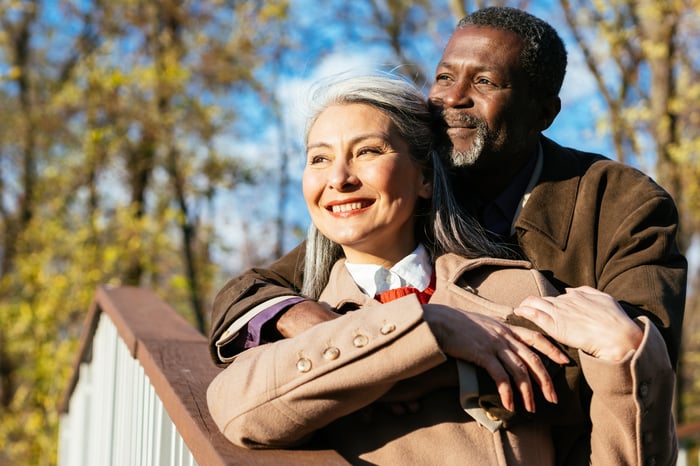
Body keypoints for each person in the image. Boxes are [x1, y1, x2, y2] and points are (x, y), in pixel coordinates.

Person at [207, 74, 678, 465]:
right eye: (319, 158)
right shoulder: (296, 318)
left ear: (427, 178)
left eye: (367, 151)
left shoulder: (519, 288)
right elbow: (236, 411)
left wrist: (628, 358)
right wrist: (423, 325)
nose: (338, 178)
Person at [208, 7, 686, 376]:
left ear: (545, 112)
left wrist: (415, 355)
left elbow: (638, 351)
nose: (452, 98)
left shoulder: (621, 202)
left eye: (484, 81)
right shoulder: (403, 192)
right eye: (443, 77)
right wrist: (312, 322)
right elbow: (250, 292)